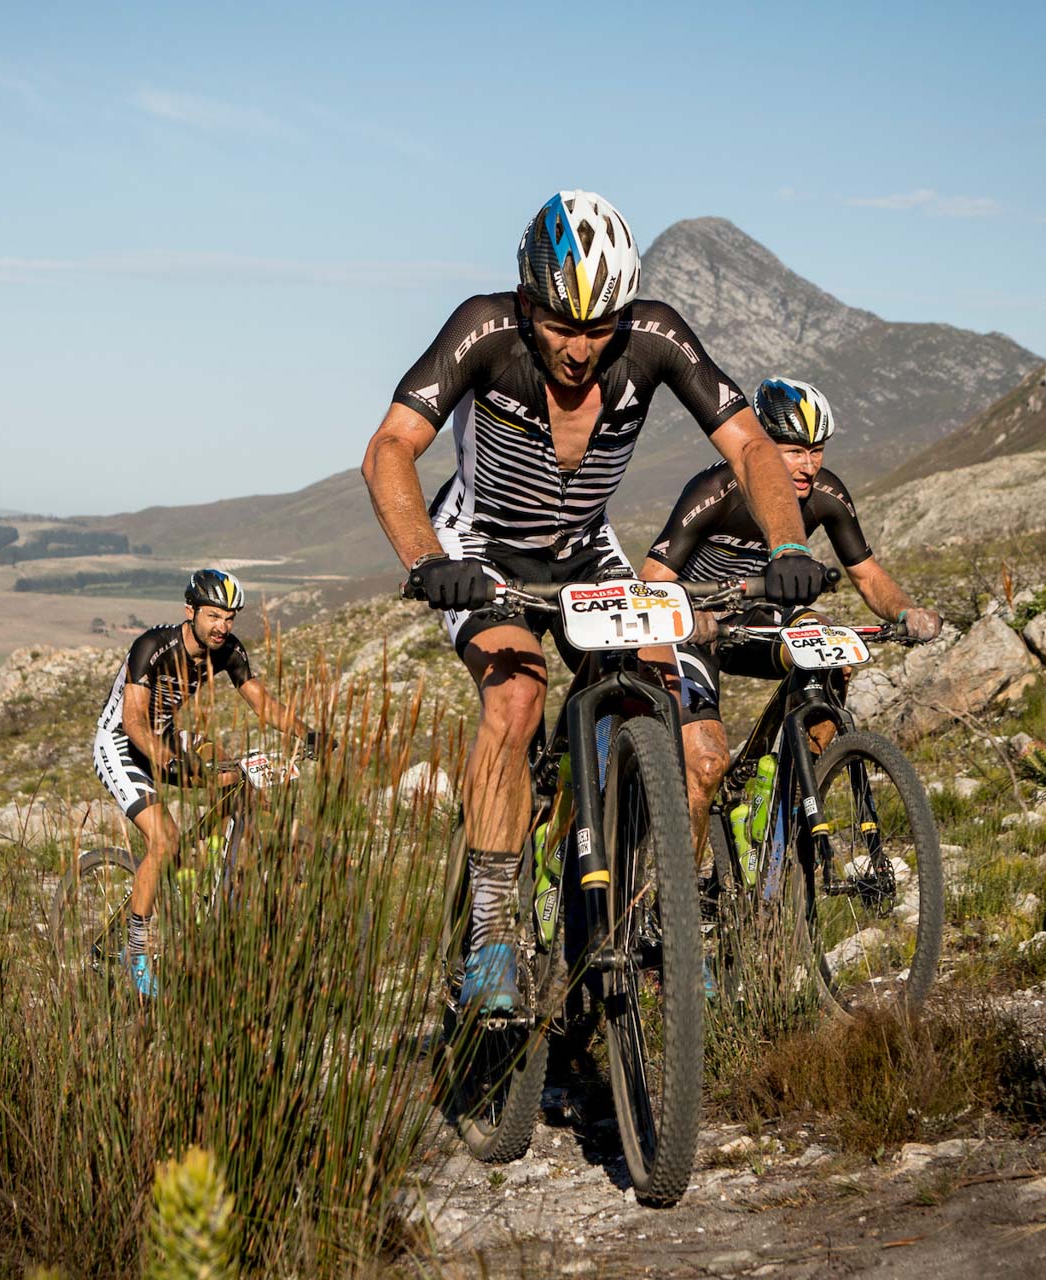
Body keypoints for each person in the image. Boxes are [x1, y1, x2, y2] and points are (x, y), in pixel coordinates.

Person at [361, 190, 830, 1014]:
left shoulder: (653, 337)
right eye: (560, 325)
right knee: (517, 696)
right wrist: (428, 561)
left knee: (666, 692)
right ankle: (494, 933)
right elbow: (391, 447)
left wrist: (789, 545)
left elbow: (752, 445)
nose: (579, 349)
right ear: (527, 301)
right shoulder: (485, 329)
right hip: (479, 547)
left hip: (585, 547)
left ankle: (652, 910)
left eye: (597, 328)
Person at [637, 376, 942, 853]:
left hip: (759, 621)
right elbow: (653, 576)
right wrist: (685, 614)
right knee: (706, 767)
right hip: (697, 629)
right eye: (793, 450)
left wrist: (906, 611)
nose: (808, 465)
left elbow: (866, 574)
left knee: (829, 648)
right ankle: (684, 893)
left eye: (816, 450)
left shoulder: (827, 495)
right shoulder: (716, 490)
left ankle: (779, 791)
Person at [90, 568, 317, 996]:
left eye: (230, 618)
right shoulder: (153, 646)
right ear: (190, 611)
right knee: (165, 839)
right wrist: (169, 762)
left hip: (167, 737)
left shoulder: (227, 650)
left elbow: (261, 701)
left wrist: (306, 732)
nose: (222, 627)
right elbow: (135, 720)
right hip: (122, 741)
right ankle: (136, 951)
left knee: (239, 775)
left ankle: (215, 883)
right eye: (214, 616)